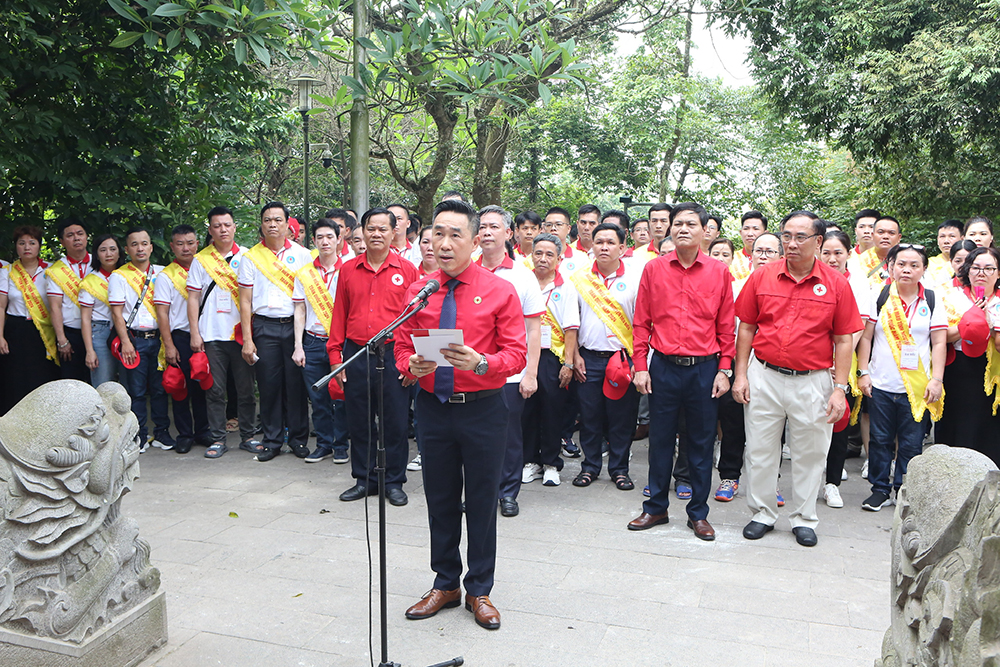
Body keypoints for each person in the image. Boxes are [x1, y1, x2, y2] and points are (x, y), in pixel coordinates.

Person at [396, 199, 526, 631]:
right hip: (433, 409)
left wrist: (481, 363)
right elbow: (401, 343)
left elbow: (516, 353)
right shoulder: (420, 289)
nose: (445, 243)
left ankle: (480, 589)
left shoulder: (499, 289)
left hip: (484, 410)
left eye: (455, 235)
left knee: (484, 499)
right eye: (438, 233)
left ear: (475, 241)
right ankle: (445, 582)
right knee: (439, 497)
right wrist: (409, 366)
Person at [733, 210, 863, 547]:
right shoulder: (762, 277)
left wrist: (839, 388)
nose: (791, 243)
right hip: (765, 375)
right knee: (760, 450)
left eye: (800, 237)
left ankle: (804, 518)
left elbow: (844, 339)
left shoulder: (835, 284)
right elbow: (746, 326)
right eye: (786, 236)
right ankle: (762, 512)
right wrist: (741, 374)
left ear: (818, 241)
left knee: (810, 452)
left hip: (813, 380)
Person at [628, 202, 735, 541]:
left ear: (705, 231)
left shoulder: (718, 272)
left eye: (691, 223)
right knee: (659, 439)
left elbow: (726, 326)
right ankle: (656, 506)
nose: (683, 228)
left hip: (704, 370)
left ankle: (698, 514)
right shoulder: (654, 270)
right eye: (678, 223)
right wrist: (641, 367)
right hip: (663, 368)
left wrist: (724, 370)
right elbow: (641, 322)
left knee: (701, 442)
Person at [328, 207, 419, 506]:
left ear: (394, 232)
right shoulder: (348, 269)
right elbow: (338, 315)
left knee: (394, 422)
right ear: (362, 233)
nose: (376, 234)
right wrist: (335, 357)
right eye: (371, 228)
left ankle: (393, 481)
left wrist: (410, 363)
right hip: (357, 353)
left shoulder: (407, 271)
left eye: (383, 228)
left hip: (394, 353)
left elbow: (415, 320)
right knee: (360, 420)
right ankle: (364, 479)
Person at [856, 244, 947, 510]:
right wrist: (863, 372)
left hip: (918, 387)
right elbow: (867, 337)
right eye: (901, 264)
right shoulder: (880, 295)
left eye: (914, 265)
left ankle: (905, 490)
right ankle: (880, 489)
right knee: (880, 440)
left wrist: (937, 379)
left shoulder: (932, 298)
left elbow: (939, 342)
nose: (907, 269)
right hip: (882, 383)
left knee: (911, 442)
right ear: (891, 267)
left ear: (923, 269)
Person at [477, 206, 544, 518]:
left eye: (494, 227)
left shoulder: (522, 276)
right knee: (475, 438)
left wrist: (530, 374)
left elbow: (533, 329)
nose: (487, 232)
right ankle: (481, 494)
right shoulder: (466, 272)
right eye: (483, 227)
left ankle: (507, 493)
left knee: (509, 436)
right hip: (472, 373)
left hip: (510, 374)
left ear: (508, 234)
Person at [238, 201, 314, 461]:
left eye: (277, 220)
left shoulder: (303, 255)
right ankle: (271, 440)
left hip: (294, 327)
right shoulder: (250, 258)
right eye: (267, 220)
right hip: (264, 327)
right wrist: (248, 339)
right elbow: (245, 301)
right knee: (269, 386)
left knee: (296, 386)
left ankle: (297, 439)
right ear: (261, 224)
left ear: (288, 224)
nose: (272, 224)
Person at [569, 222, 640, 490]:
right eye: (599, 242)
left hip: (622, 359)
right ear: (592, 246)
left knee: (622, 417)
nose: (604, 247)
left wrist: (638, 362)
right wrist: (574, 356)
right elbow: (571, 323)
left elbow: (643, 322)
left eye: (611, 243)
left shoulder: (635, 279)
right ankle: (590, 467)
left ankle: (620, 469)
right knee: (589, 415)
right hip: (588, 357)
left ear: (622, 247)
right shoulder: (580, 279)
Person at [714, 232, 783, 503]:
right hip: (736, 361)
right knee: (732, 424)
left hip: (772, 366)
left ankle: (770, 483)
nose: (763, 256)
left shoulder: (787, 288)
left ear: (780, 255)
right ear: (750, 255)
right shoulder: (734, 286)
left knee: (772, 428)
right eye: (759, 251)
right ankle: (729, 478)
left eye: (770, 251)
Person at [187, 206, 259, 458]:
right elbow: (193, 298)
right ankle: (217, 439)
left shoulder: (249, 257)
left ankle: (248, 435)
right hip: (211, 335)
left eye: (227, 224)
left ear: (234, 227)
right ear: (210, 230)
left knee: (246, 389)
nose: (223, 229)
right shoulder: (200, 260)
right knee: (215, 390)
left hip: (242, 335)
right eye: (217, 226)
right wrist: (194, 333)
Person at [521, 233, 579, 488]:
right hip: (523, 353)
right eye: (538, 253)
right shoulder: (522, 282)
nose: (543, 259)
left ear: (559, 258)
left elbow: (571, 329)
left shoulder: (565, 287)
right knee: (527, 410)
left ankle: (551, 464)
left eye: (549, 255)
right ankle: (529, 461)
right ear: (531, 255)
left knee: (552, 410)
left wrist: (568, 363)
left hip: (552, 356)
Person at [109, 226, 174, 451]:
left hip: (160, 339)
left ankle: (162, 433)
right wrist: (125, 341)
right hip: (134, 340)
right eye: (134, 244)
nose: (140, 248)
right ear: (127, 250)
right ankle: (140, 434)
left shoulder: (162, 272)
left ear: (151, 247)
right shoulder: (119, 276)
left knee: (160, 388)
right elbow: (117, 313)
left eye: (144, 243)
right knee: (135, 390)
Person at [816, 230, 868, 508]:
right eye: (827, 252)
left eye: (839, 253)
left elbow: (859, 326)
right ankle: (810, 480)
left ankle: (831, 482)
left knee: (838, 423)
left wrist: (840, 353)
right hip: (812, 363)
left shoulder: (858, 283)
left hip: (842, 364)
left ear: (849, 253)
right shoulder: (811, 278)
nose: (832, 258)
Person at [292, 218, 350, 464]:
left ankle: (342, 446)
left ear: (339, 239)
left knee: (343, 395)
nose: (324, 242)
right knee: (318, 398)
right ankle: (324, 444)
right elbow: (299, 310)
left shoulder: (350, 269)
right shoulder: (304, 273)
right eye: (319, 238)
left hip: (342, 343)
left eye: (329, 237)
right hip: (313, 342)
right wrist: (298, 345)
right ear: (313, 241)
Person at [936, 246, 1000, 466]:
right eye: (976, 268)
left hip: (993, 373)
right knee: (958, 427)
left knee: (990, 429)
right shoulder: (951, 296)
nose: (981, 273)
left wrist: (990, 328)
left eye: (989, 268)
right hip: (958, 369)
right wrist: (970, 322)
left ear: (998, 273)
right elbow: (940, 337)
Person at [154, 224, 211, 454]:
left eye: (190, 243)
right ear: (172, 246)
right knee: (180, 387)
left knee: (202, 384)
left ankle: (203, 431)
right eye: (180, 244)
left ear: (197, 244)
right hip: (180, 336)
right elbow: (162, 313)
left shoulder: (206, 269)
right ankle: (185, 434)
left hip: (205, 335)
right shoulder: (166, 276)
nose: (185, 248)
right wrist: (169, 345)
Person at [0, 226, 59, 413]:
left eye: (32, 243)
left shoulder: (51, 270)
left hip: (43, 330)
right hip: (15, 330)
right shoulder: (8, 271)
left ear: (39, 246)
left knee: (41, 375)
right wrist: (0, 336)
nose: (27, 247)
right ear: (16, 246)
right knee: (14, 376)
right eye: (22, 243)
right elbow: (1, 306)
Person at [46, 218, 91, 382]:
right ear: (62, 242)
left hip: (99, 332)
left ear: (87, 237)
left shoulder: (100, 262)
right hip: (71, 334)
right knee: (73, 383)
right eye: (70, 235)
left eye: (80, 234)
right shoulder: (57, 270)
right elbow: (55, 307)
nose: (76, 238)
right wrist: (62, 340)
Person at [80, 234, 123, 387]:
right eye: (103, 250)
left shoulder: (128, 275)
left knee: (127, 384)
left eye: (112, 249)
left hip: (127, 332)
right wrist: (89, 350)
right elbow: (85, 319)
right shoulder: (90, 280)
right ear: (96, 254)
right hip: (101, 333)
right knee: (103, 384)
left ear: (119, 252)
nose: (109, 254)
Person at [541, 207, 583, 276]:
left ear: (568, 229)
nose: (553, 228)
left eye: (558, 224)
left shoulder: (581, 259)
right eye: (549, 225)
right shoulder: (533, 259)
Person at [730, 211, 767, 281]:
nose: (750, 233)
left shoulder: (773, 258)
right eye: (746, 229)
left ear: (765, 233)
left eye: (755, 229)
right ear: (741, 232)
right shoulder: (731, 258)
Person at [927, 220, 964, 287]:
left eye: (952, 236)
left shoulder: (970, 262)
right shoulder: (929, 264)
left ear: (962, 239)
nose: (946, 241)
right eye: (942, 236)